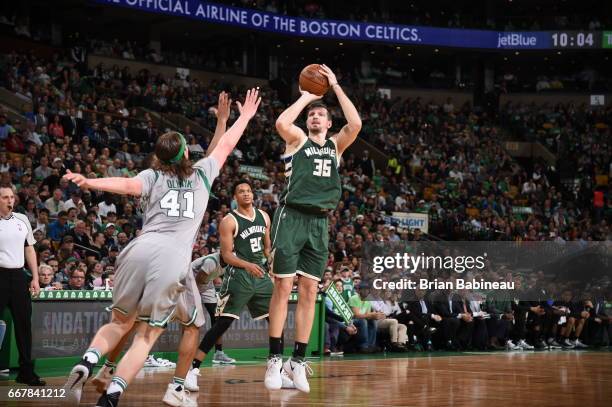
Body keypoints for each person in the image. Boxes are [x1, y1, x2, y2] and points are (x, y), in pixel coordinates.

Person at [60, 88, 261, 407]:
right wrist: (244, 117)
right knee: (152, 333)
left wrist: (89, 181)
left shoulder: (153, 175)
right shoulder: (202, 176)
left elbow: (126, 186)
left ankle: (90, 361)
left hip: (137, 249)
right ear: (185, 154)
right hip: (171, 258)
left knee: (119, 322)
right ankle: (129, 393)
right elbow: (224, 146)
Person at [265, 65, 362, 393]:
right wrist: (305, 96)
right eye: (312, 115)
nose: (315, 117)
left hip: (320, 223)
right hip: (291, 218)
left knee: (309, 291)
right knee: (283, 287)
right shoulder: (297, 140)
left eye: (321, 114)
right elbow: (281, 122)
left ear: (330, 123)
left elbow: (356, 123)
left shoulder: (336, 147)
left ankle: (298, 360)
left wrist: (334, 85)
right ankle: (275, 358)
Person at [185, 180, 296, 392]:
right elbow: (226, 255)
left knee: (277, 321)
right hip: (238, 277)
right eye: (240, 191)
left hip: (261, 277)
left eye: (248, 191)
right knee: (222, 324)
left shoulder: (264, 216)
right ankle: (192, 370)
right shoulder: (229, 221)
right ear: (235, 198)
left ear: (253, 195)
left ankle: (278, 370)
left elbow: (267, 247)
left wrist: (272, 262)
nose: (246, 194)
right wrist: (248, 265)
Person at [0, 186, 45, 385]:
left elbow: (30, 250)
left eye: (12, 197)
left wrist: (34, 277)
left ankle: (26, 372)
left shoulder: (22, 219)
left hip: (19, 277)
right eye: (5, 197)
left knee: (24, 326)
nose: (10, 201)